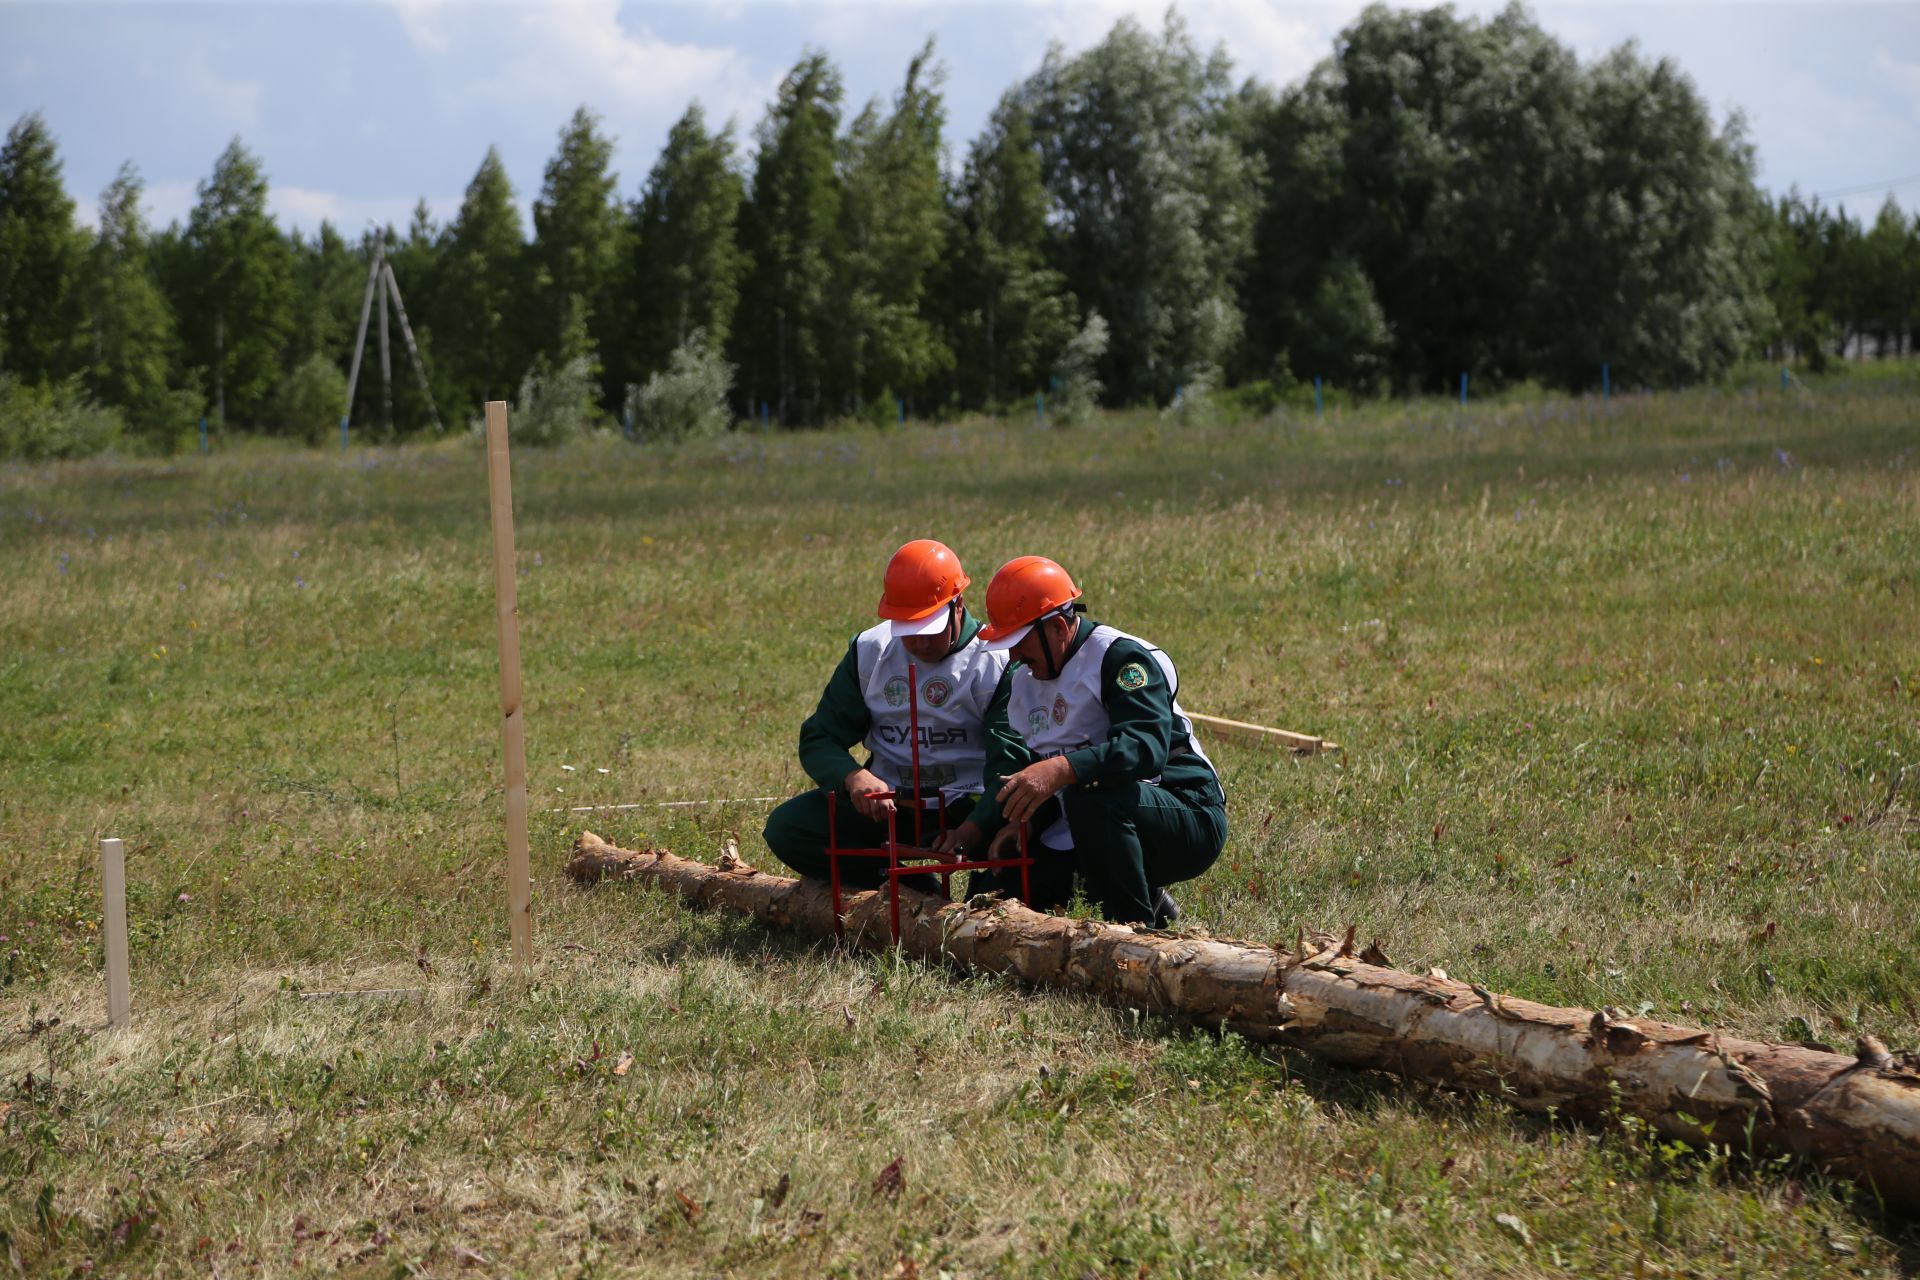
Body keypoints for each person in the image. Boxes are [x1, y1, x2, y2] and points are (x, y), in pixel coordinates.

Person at [935, 556, 1226, 927]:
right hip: (1086, 815)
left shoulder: (1120, 659)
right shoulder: (1025, 680)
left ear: (1056, 627)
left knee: (1092, 798)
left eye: (1019, 641)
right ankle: (1147, 899)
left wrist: (1060, 770)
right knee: (1000, 879)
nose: (1013, 655)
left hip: (1186, 810)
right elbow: (1046, 770)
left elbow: (1146, 749)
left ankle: (1135, 937)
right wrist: (1029, 825)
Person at [762, 539, 1026, 889]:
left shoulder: (995, 661)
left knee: (1027, 844)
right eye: (907, 630)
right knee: (788, 828)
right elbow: (819, 737)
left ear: (958, 604)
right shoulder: (870, 650)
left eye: (929, 630)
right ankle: (902, 886)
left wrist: (974, 828)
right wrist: (853, 777)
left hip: (967, 805)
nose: (919, 643)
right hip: (886, 809)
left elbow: (1009, 764)